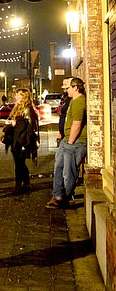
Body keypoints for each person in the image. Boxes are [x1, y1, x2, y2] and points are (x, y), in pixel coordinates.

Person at [46, 77, 87, 209]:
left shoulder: (79, 102)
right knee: (59, 167)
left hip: (75, 142)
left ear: (75, 88)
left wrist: (70, 142)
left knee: (69, 172)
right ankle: (57, 195)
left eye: (67, 88)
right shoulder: (72, 101)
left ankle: (66, 198)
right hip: (67, 139)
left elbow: (77, 124)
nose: (65, 90)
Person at [2, 88, 39, 194]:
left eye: (19, 95)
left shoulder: (27, 109)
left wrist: (16, 123)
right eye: (16, 94)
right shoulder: (17, 107)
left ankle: (20, 186)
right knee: (19, 163)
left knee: (19, 163)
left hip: (23, 140)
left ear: (24, 97)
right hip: (16, 139)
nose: (16, 96)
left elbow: (30, 126)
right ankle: (25, 184)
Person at [55, 77, 72, 147]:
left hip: (68, 135)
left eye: (67, 87)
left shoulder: (71, 99)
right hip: (63, 133)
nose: (64, 89)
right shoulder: (65, 97)